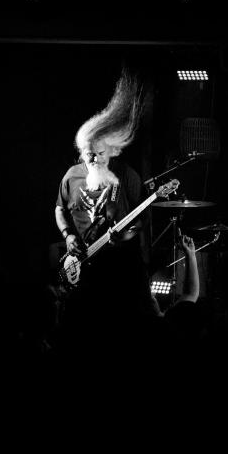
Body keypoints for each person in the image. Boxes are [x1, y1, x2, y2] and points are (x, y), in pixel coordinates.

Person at [54, 72, 157, 323]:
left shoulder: (126, 176)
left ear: (111, 151)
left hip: (118, 266)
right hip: (82, 265)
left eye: (100, 153)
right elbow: (59, 209)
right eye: (89, 154)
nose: (95, 159)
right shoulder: (71, 176)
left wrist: (127, 235)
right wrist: (68, 236)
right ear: (82, 152)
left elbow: (143, 217)